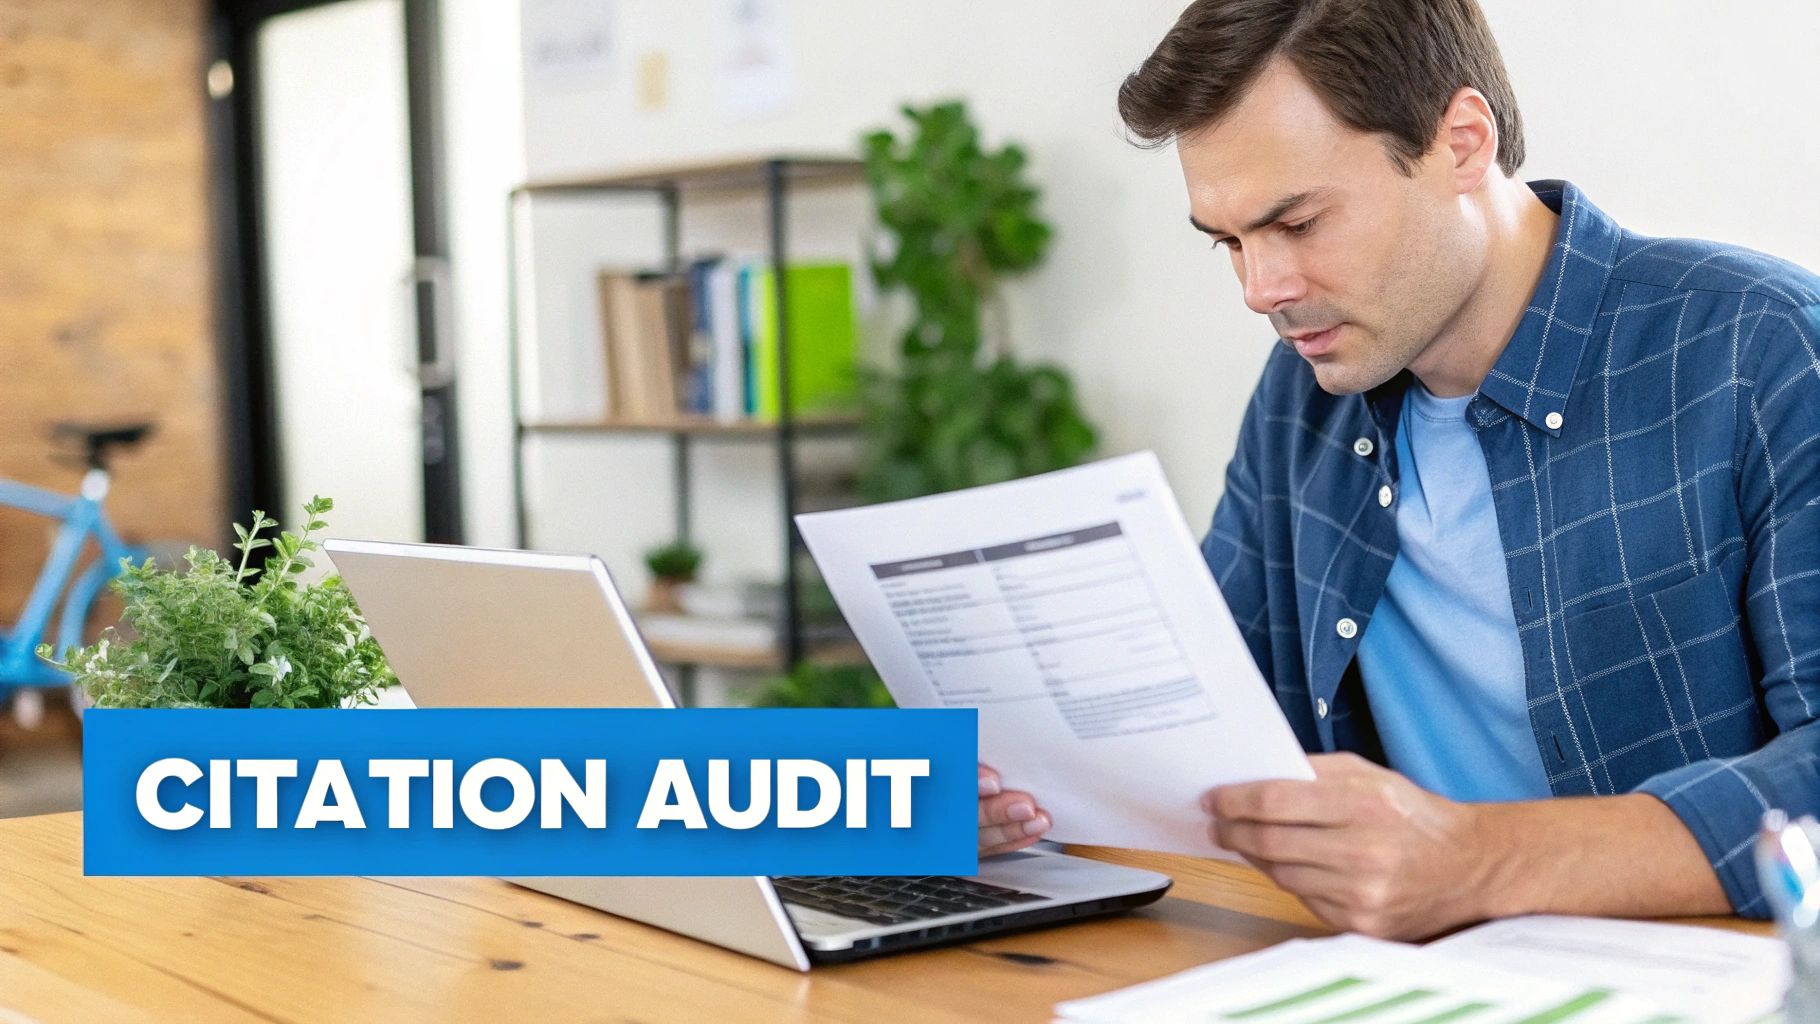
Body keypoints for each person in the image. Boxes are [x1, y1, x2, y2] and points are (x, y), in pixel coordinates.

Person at [978, 0, 1820, 939]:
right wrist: (1009, 790)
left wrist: (1477, 859)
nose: (1264, 291)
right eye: (1230, 243)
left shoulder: (1759, 352)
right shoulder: (1307, 397)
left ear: (1462, 143)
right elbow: (1214, 718)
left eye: (1295, 222)